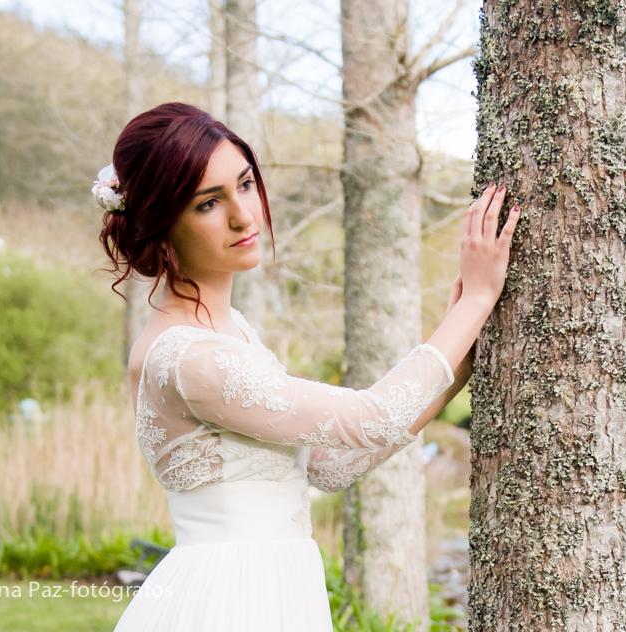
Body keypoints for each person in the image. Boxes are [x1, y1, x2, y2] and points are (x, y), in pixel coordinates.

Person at [97, 102, 519, 631]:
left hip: (275, 588)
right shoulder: (189, 358)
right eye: (208, 203)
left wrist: (460, 361)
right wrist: (474, 302)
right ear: (163, 223)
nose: (243, 215)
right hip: (229, 603)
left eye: (245, 184)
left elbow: (329, 466)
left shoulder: (232, 332)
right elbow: (370, 418)